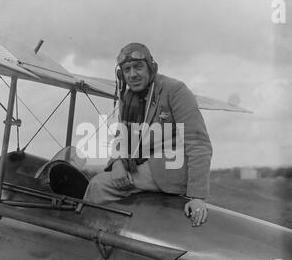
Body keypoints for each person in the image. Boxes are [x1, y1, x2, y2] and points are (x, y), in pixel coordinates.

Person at [82, 42, 212, 227]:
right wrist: (118, 162)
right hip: (143, 164)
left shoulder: (175, 90)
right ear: (121, 74)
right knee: (106, 179)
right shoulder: (128, 96)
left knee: (98, 185)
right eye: (127, 70)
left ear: (151, 68)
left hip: (170, 169)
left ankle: (91, 236)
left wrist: (197, 197)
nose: (132, 74)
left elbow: (198, 142)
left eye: (138, 67)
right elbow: (122, 136)